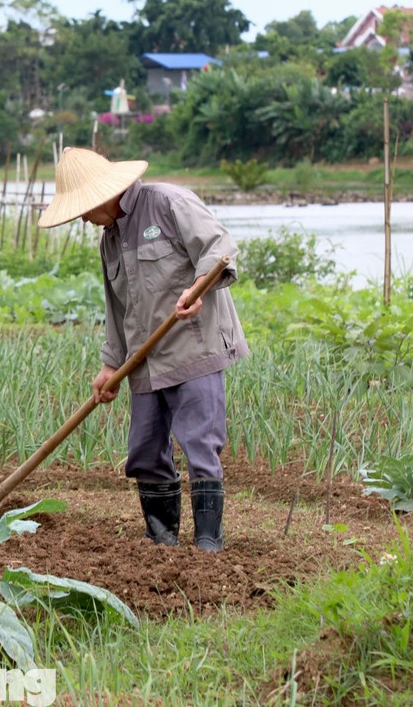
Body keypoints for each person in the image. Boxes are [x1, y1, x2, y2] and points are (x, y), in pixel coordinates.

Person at [38, 147, 249, 551]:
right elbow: (116, 309)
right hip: (144, 361)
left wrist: (199, 285)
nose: (82, 218)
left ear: (104, 195)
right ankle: (161, 541)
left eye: (83, 208)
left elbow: (219, 248)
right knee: (144, 450)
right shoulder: (110, 241)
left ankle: (208, 544)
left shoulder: (168, 202)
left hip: (194, 348)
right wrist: (109, 364)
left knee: (200, 443)